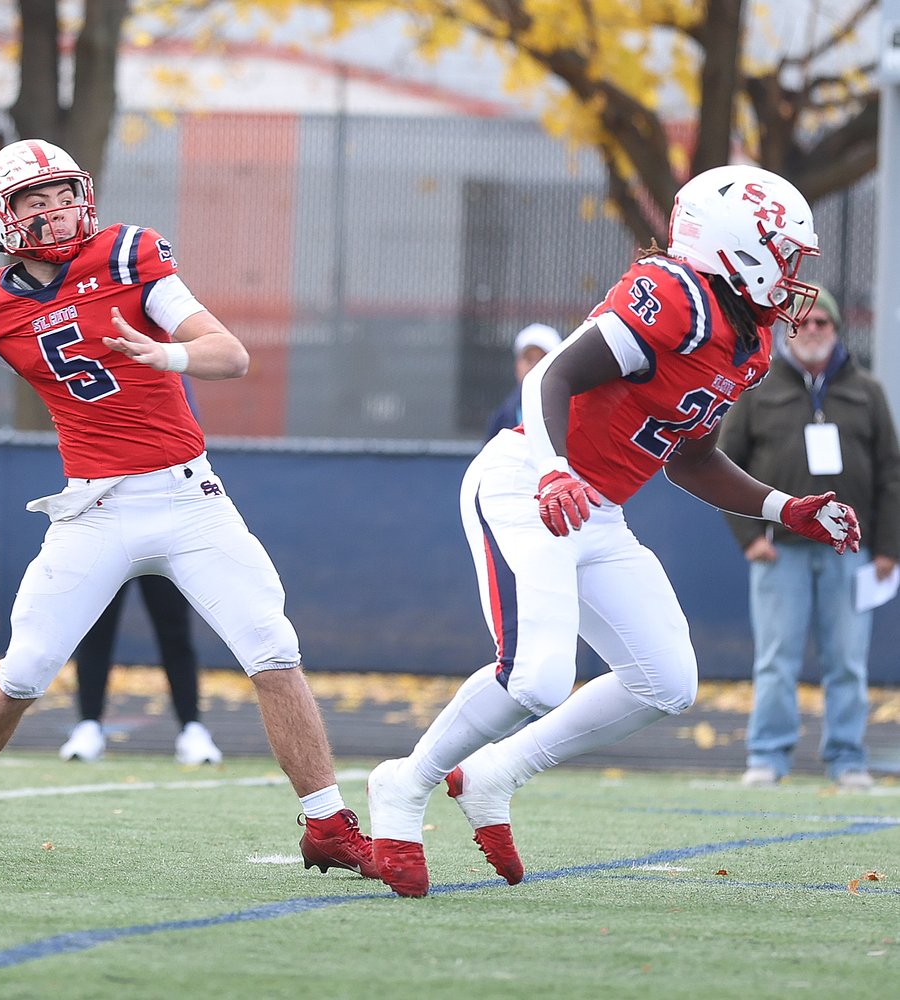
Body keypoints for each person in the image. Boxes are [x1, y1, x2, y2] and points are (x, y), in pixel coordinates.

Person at [0, 138, 375, 878]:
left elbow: (231, 353)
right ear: (1, 216)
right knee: (23, 675)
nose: (55, 208)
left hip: (189, 500)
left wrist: (172, 355)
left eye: (63, 192)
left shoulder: (128, 256)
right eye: (36, 199)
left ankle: (330, 827)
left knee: (273, 652)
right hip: (94, 511)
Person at [365, 164, 862, 898]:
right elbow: (550, 379)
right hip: (528, 484)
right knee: (534, 675)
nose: (792, 275)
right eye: (783, 253)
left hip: (593, 508)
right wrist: (554, 467)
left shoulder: (748, 344)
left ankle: (496, 775)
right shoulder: (676, 296)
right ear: (738, 249)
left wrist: (783, 508)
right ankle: (402, 786)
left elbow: (690, 459)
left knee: (667, 681)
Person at [718, 284, 900, 790]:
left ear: (837, 330)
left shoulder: (867, 391)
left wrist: (888, 549)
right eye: (803, 322)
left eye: (823, 322)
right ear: (787, 330)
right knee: (776, 659)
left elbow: (891, 473)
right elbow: (723, 465)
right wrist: (750, 538)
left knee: (847, 660)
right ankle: (767, 757)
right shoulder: (758, 390)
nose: (812, 330)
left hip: (850, 552)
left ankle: (847, 759)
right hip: (780, 553)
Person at [58, 575, 223, 765]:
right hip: (111, 546)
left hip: (158, 547)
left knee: (175, 630)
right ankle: (88, 726)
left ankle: (191, 729)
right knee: (96, 628)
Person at [484, 323, 563, 440]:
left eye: (542, 358)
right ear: (517, 365)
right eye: (528, 359)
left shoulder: (567, 413)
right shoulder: (501, 416)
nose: (534, 365)